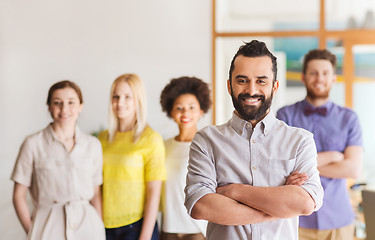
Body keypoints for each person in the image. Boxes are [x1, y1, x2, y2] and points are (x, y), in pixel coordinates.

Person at [184, 40, 324, 240]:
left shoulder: (300, 140)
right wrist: (277, 207)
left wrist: (235, 191)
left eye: (261, 81)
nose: (251, 90)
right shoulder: (206, 140)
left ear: (274, 87)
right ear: (229, 85)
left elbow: (304, 204)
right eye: (242, 80)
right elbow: (200, 206)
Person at [277, 49, 363, 240]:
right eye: (313, 73)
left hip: (339, 221)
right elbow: (282, 167)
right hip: (295, 219)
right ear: (303, 77)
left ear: (334, 78)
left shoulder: (349, 118)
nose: (319, 78)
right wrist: (333, 157)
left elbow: (353, 169)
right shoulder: (285, 116)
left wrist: (304, 165)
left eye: (325, 73)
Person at [11, 80, 105, 240]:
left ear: (80, 106)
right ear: (48, 106)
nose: (64, 109)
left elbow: (95, 192)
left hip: (87, 227)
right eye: (57, 103)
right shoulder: (33, 144)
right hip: (47, 226)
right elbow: (18, 195)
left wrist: (99, 227)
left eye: (71, 102)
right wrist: (32, 231)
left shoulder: (93, 145)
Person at [98, 73, 166, 240]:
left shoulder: (151, 139)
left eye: (127, 97)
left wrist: (144, 237)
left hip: (136, 227)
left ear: (138, 100)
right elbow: (96, 187)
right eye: (116, 96)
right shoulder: (102, 139)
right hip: (104, 227)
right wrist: (97, 226)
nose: (120, 103)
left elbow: (154, 193)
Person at [160, 76, 211, 240]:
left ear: (201, 111)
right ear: (171, 111)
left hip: (196, 230)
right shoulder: (162, 146)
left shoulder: (208, 146)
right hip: (168, 229)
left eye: (191, 107)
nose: (185, 113)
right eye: (179, 108)